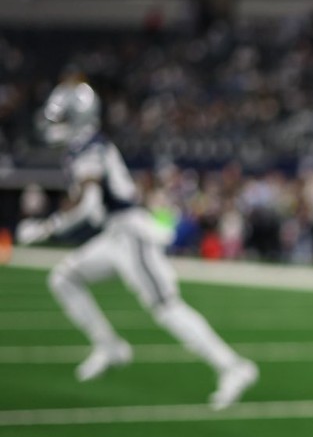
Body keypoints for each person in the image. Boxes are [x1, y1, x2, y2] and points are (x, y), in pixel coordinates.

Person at [16, 79, 259, 410]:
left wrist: (47, 227)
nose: (55, 125)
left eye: (61, 118)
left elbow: (87, 205)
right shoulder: (82, 149)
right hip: (114, 236)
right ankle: (109, 346)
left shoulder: (91, 148)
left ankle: (234, 367)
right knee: (63, 278)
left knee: (167, 307)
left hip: (131, 235)